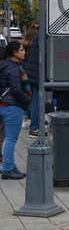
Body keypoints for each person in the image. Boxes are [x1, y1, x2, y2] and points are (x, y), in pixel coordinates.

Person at [0, 41, 32, 179]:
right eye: (21, 50)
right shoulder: (14, 68)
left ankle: (12, 166)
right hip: (12, 106)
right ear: (14, 53)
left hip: (4, 105)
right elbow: (15, 89)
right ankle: (8, 168)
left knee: (7, 137)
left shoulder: (5, 65)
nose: (24, 52)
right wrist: (27, 99)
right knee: (12, 139)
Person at [20, 25, 38, 129]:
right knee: (35, 100)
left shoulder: (22, 45)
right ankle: (34, 126)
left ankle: (25, 119)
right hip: (34, 74)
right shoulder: (36, 46)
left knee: (26, 96)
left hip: (24, 72)